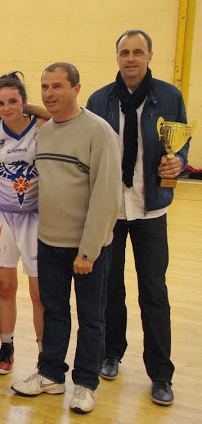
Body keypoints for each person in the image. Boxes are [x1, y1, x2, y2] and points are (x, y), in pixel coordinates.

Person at [86, 29, 190, 406]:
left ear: (149, 55)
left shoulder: (169, 95)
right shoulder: (99, 99)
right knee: (110, 289)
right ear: (117, 57)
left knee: (154, 293)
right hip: (110, 211)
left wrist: (177, 160)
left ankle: (161, 373)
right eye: (124, 52)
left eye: (137, 52)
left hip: (151, 208)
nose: (130, 58)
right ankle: (111, 352)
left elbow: (182, 138)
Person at [11, 63, 121, 415]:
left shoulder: (98, 132)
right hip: (49, 242)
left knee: (91, 318)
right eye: (44, 86)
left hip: (86, 249)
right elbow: (55, 178)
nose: (49, 93)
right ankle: (52, 374)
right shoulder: (47, 131)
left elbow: (106, 199)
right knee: (54, 311)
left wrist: (88, 251)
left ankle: (86, 383)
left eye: (57, 86)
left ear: (76, 89)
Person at [0, 72, 47, 375]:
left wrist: (34, 110)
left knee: (39, 291)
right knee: (5, 286)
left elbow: (60, 113)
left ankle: (46, 352)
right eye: (1, 103)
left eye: (14, 101)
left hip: (35, 216)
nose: (7, 108)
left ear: (24, 102)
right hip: (0, 215)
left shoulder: (42, 127)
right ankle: (6, 346)